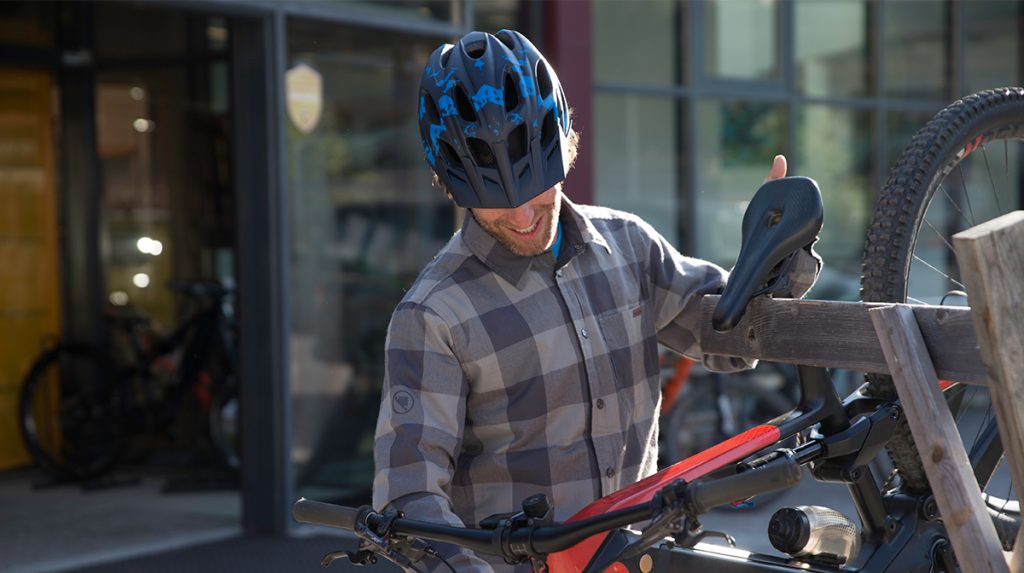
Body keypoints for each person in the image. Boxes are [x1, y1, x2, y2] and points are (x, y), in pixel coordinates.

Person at [373, 29, 819, 572]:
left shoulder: (629, 247)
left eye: (535, 193)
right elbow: (408, 497)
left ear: (567, 147)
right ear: (449, 184)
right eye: (492, 204)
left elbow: (727, 337)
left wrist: (773, 253)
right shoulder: (433, 316)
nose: (520, 217)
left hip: (639, 556)